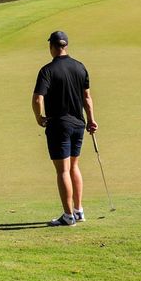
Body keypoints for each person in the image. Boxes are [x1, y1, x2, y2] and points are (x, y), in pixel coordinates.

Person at [32, 31, 96, 226]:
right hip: (79, 124)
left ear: (52, 47)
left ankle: (68, 216)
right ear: (65, 46)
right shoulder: (80, 67)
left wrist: (39, 118)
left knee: (63, 171)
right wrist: (91, 120)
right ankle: (79, 211)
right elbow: (87, 98)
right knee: (74, 167)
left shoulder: (47, 70)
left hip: (59, 125)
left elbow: (37, 99)